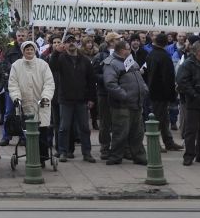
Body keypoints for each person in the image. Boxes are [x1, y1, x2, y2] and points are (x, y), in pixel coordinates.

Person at [7, 41, 55, 167]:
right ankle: (31, 157)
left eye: (31, 49)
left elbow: (49, 83)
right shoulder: (16, 65)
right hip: (24, 104)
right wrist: (16, 98)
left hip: (41, 104)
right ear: (23, 51)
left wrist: (46, 97)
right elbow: (13, 84)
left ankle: (42, 159)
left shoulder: (43, 65)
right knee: (27, 134)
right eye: (27, 49)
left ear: (35, 51)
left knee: (42, 133)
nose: (29, 52)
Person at [103, 39, 148, 165]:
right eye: (128, 48)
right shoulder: (111, 63)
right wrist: (125, 96)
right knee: (120, 132)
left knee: (137, 133)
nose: (130, 50)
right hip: (122, 106)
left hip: (136, 104)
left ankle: (139, 156)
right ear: (122, 50)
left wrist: (144, 89)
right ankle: (115, 156)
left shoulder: (131, 61)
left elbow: (139, 77)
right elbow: (110, 84)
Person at [52, 36, 97, 162]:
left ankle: (87, 153)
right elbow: (52, 67)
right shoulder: (60, 58)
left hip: (81, 99)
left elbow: (91, 81)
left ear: (77, 44)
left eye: (73, 41)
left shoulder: (85, 60)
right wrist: (56, 52)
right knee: (64, 127)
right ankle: (62, 151)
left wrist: (91, 98)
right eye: (68, 42)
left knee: (84, 127)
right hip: (65, 99)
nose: (71, 44)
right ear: (64, 45)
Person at [145, 33, 183, 152]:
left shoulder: (151, 54)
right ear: (166, 43)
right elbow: (168, 77)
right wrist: (172, 95)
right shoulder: (164, 56)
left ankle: (168, 142)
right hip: (161, 93)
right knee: (159, 119)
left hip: (153, 91)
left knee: (163, 118)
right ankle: (156, 143)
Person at [91, 31, 120, 160]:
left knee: (119, 121)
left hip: (119, 93)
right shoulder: (100, 56)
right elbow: (94, 74)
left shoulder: (123, 55)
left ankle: (119, 147)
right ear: (111, 42)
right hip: (104, 93)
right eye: (118, 39)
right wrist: (108, 79)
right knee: (105, 122)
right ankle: (104, 147)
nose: (120, 41)